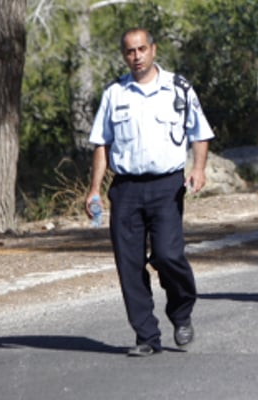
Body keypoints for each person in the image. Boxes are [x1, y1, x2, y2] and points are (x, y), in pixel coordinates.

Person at [85, 28, 214, 356]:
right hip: (126, 189)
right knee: (129, 265)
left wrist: (197, 169)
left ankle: (181, 312)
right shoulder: (115, 93)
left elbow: (200, 133)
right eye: (130, 51)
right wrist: (94, 191)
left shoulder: (178, 88)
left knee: (168, 255)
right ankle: (146, 336)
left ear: (153, 49)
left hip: (167, 186)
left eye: (142, 49)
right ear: (123, 55)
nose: (137, 56)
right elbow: (102, 143)